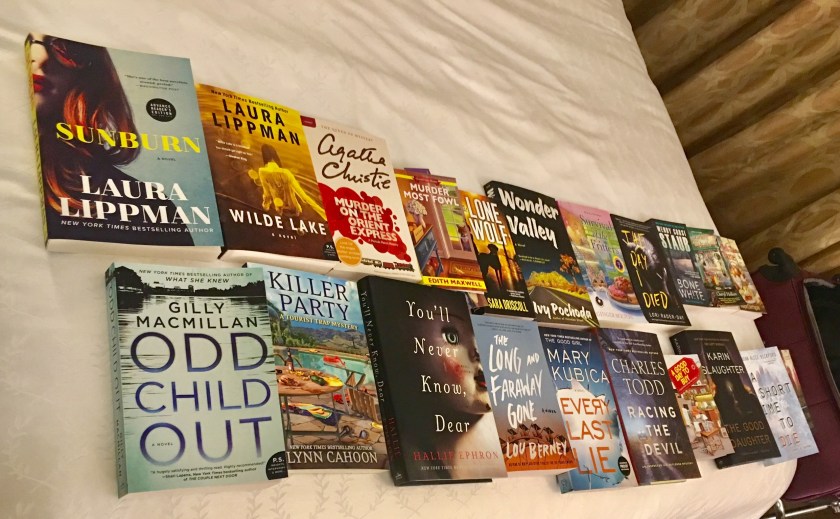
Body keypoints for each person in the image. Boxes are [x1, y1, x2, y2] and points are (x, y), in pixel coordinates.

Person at [27, 33, 193, 245]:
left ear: (89, 76)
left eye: (63, 48)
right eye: (28, 43)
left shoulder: (149, 208)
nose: (40, 57)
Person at [247, 144, 326, 220]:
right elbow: (304, 197)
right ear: (275, 155)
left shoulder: (262, 172)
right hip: (295, 211)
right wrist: (323, 214)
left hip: (281, 211)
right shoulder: (286, 172)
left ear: (264, 156)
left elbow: (267, 194)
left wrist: (265, 207)